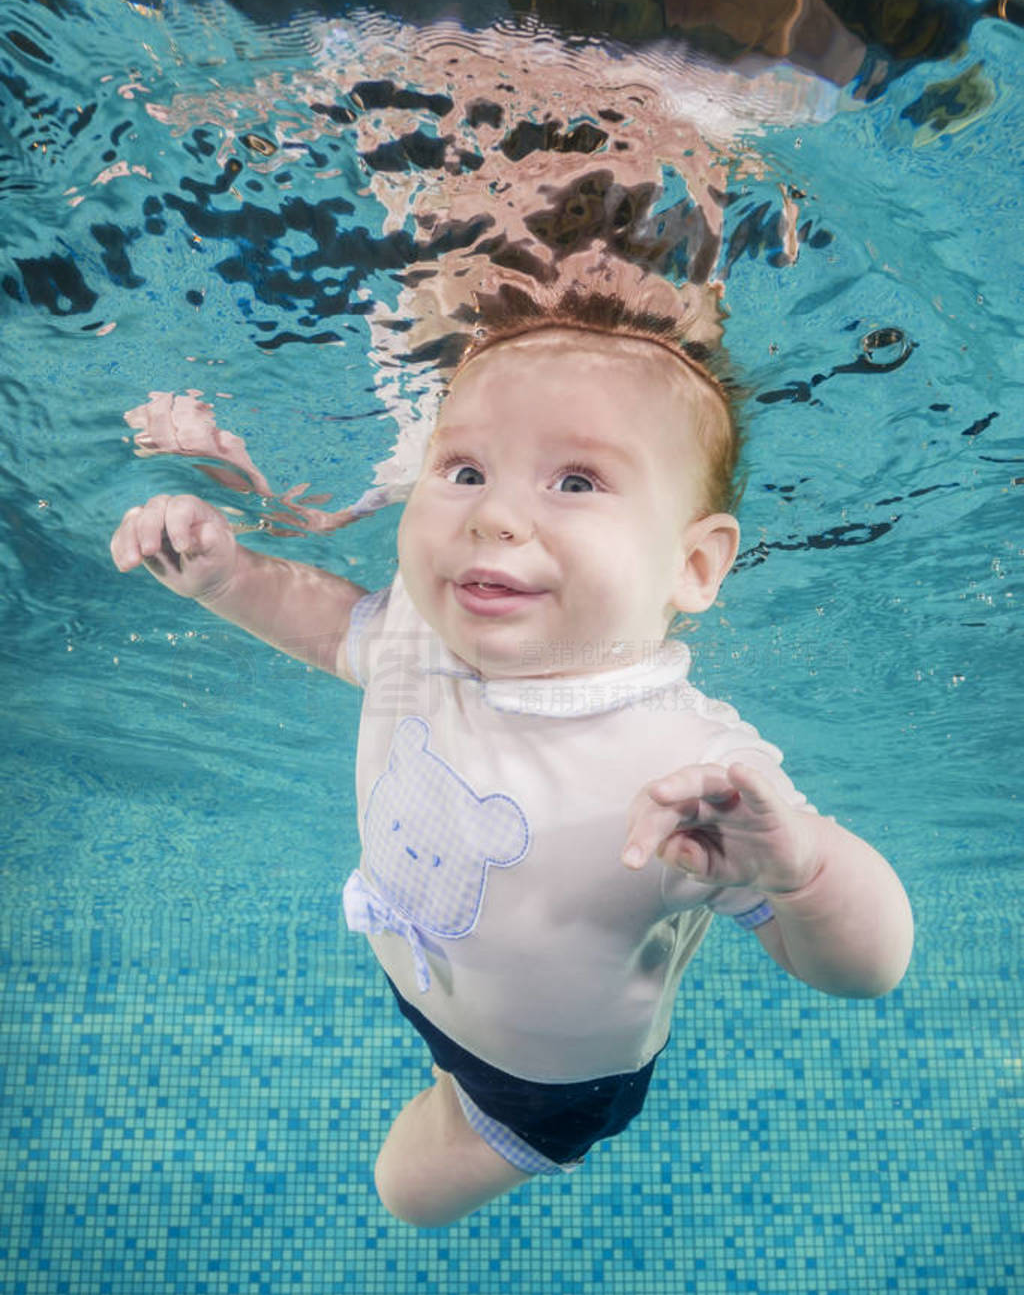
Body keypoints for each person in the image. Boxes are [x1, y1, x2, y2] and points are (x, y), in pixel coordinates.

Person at [110, 287, 914, 1229]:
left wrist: (807, 871)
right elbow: (336, 630)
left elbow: (865, 970)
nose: (493, 516)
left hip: (542, 1083)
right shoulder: (419, 627)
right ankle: (446, 1064)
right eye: (460, 471)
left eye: (575, 482)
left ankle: (466, 1110)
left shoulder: (690, 765)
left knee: (405, 1195)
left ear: (694, 566)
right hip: (411, 970)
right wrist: (230, 578)